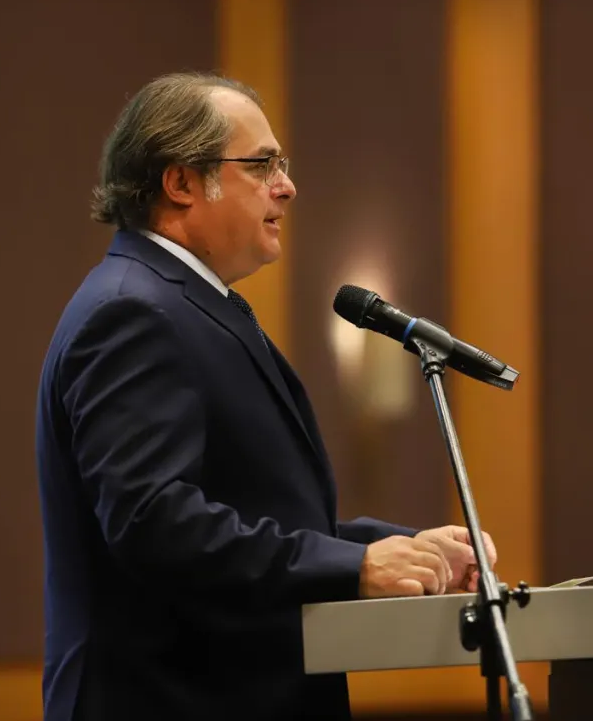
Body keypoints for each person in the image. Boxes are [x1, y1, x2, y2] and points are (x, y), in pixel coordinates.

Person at [35, 72, 497, 721]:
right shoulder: (133, 312)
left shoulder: (186, 305)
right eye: (261, 165)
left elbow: (254, 515)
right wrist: (352, 568)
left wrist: (399, 551)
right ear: (181, 182)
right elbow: (155, 525)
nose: (287, 186)